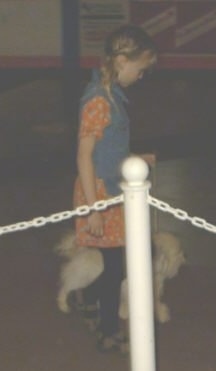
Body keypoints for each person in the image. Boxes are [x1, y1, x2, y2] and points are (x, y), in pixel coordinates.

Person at [73, 24, 157, 353]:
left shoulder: (113, 97)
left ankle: (93, 305)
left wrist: (135, 157)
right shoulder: (98, 101)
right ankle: (107, 328)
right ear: (122, 60)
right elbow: (84, 154)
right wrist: (94, 207)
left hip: (111, 190)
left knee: (117, 263)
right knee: (115, 265)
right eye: (140, 69)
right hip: (101, 194)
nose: (141, 76)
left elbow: (109, 149)